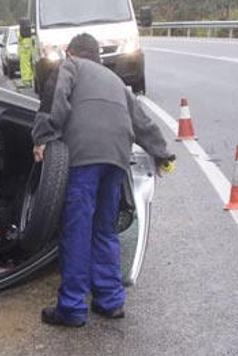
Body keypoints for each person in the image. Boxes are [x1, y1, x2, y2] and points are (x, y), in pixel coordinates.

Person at [32, 33, 174, 327]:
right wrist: (162, 154)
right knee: (104, 229)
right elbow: (142, 122)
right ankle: (110, 301)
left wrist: (44, 136)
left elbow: (56, 96)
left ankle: (71, 308)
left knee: (77, 229)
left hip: (85, 156)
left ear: (71, 53)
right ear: (97, 56)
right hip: (117, 158)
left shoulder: (70, 67)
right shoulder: (116, 82)